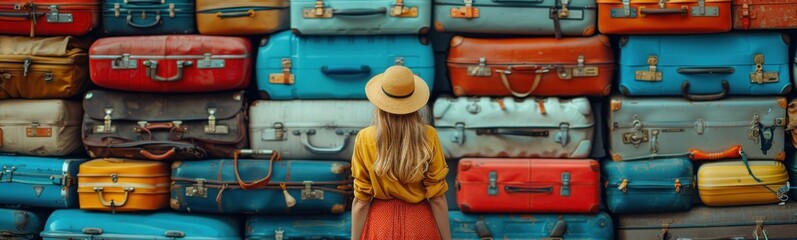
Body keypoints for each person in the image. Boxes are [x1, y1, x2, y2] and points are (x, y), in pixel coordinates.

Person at [351, 66, 451, 240]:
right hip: (420, 224)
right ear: (414, 102)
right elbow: (437, 198)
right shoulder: (429, 135)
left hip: (379, 223)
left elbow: (361, 201)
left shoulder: (364, 137)